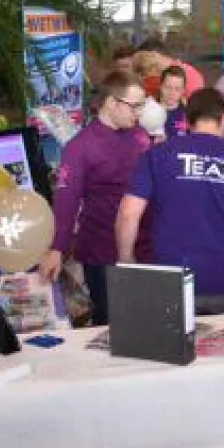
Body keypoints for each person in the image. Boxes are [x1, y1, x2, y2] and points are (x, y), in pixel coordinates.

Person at [116, 89, 224, 316]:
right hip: (222, 280)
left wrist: (126, 259)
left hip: (170, 279)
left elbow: (128, 214)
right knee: (219, 339)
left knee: (170, 340)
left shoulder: (159, 155)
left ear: (187, 119)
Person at [41, 71, 150, 325]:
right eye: (134, 106)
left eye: (141, 106)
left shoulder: (140, 135)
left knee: (145, 323)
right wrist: (57, 248)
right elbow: (66, 200)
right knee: (112, 325)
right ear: (111, 103)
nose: (139, 113)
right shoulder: (81, 147)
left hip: (144, 247)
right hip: (103, 252)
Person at [136, 37, 205, 97]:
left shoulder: (185, 74)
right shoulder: (187, 71)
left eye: (143, 59)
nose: (144, 75)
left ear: (154, 54)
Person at [159, 66, 189, 140]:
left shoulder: (187, 114)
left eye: (177, 89)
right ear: (160, 86)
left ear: (183, 90)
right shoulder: (149, 111)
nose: (172, 93)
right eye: (168, 87)